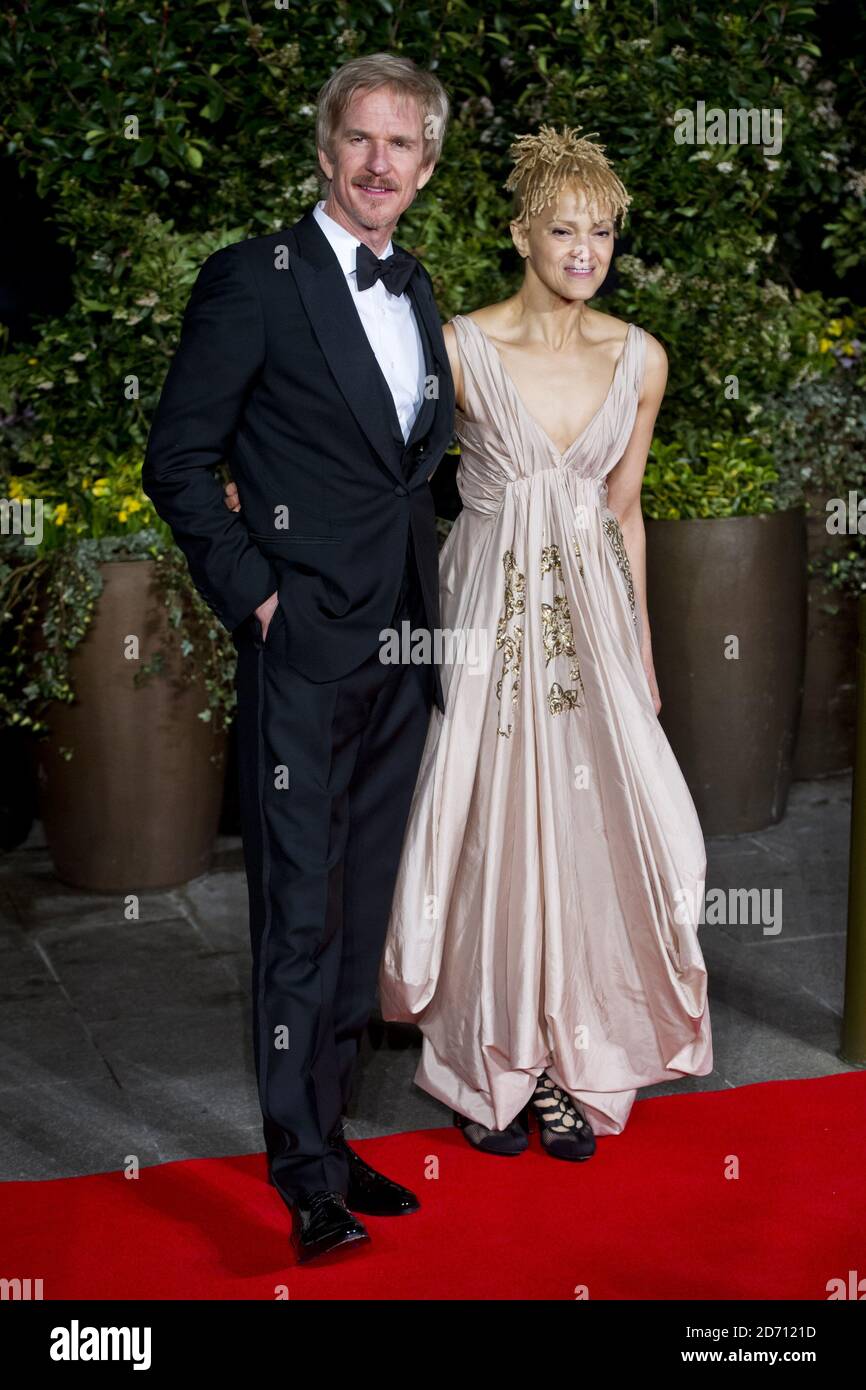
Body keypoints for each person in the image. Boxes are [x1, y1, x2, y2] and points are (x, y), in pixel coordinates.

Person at [142, 54, 455, 1263]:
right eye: (361, 141)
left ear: (423, 170)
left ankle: (330, 1134)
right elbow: (179, 456)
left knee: (357, 908)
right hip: (303, 648)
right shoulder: (253, 281)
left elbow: (400, 470)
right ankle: (299, 1179)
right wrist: (256, 597)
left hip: (397, 646)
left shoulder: (416, 287)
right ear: (327, 151)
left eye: (403, 147)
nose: (381, 164)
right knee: (297, 920)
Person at [378, 125, 713, 1159]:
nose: (584, 249)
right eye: (563, 229)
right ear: (520, 232)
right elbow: (378, 470)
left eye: (601, 232)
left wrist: (643, 649)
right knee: (485, 832)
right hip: (483, 625)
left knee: (596, 833)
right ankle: (492, 1057)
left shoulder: (638, 356)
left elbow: (623, 513)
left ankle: (570, 1061)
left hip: (591, 634)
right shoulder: (456, 346)